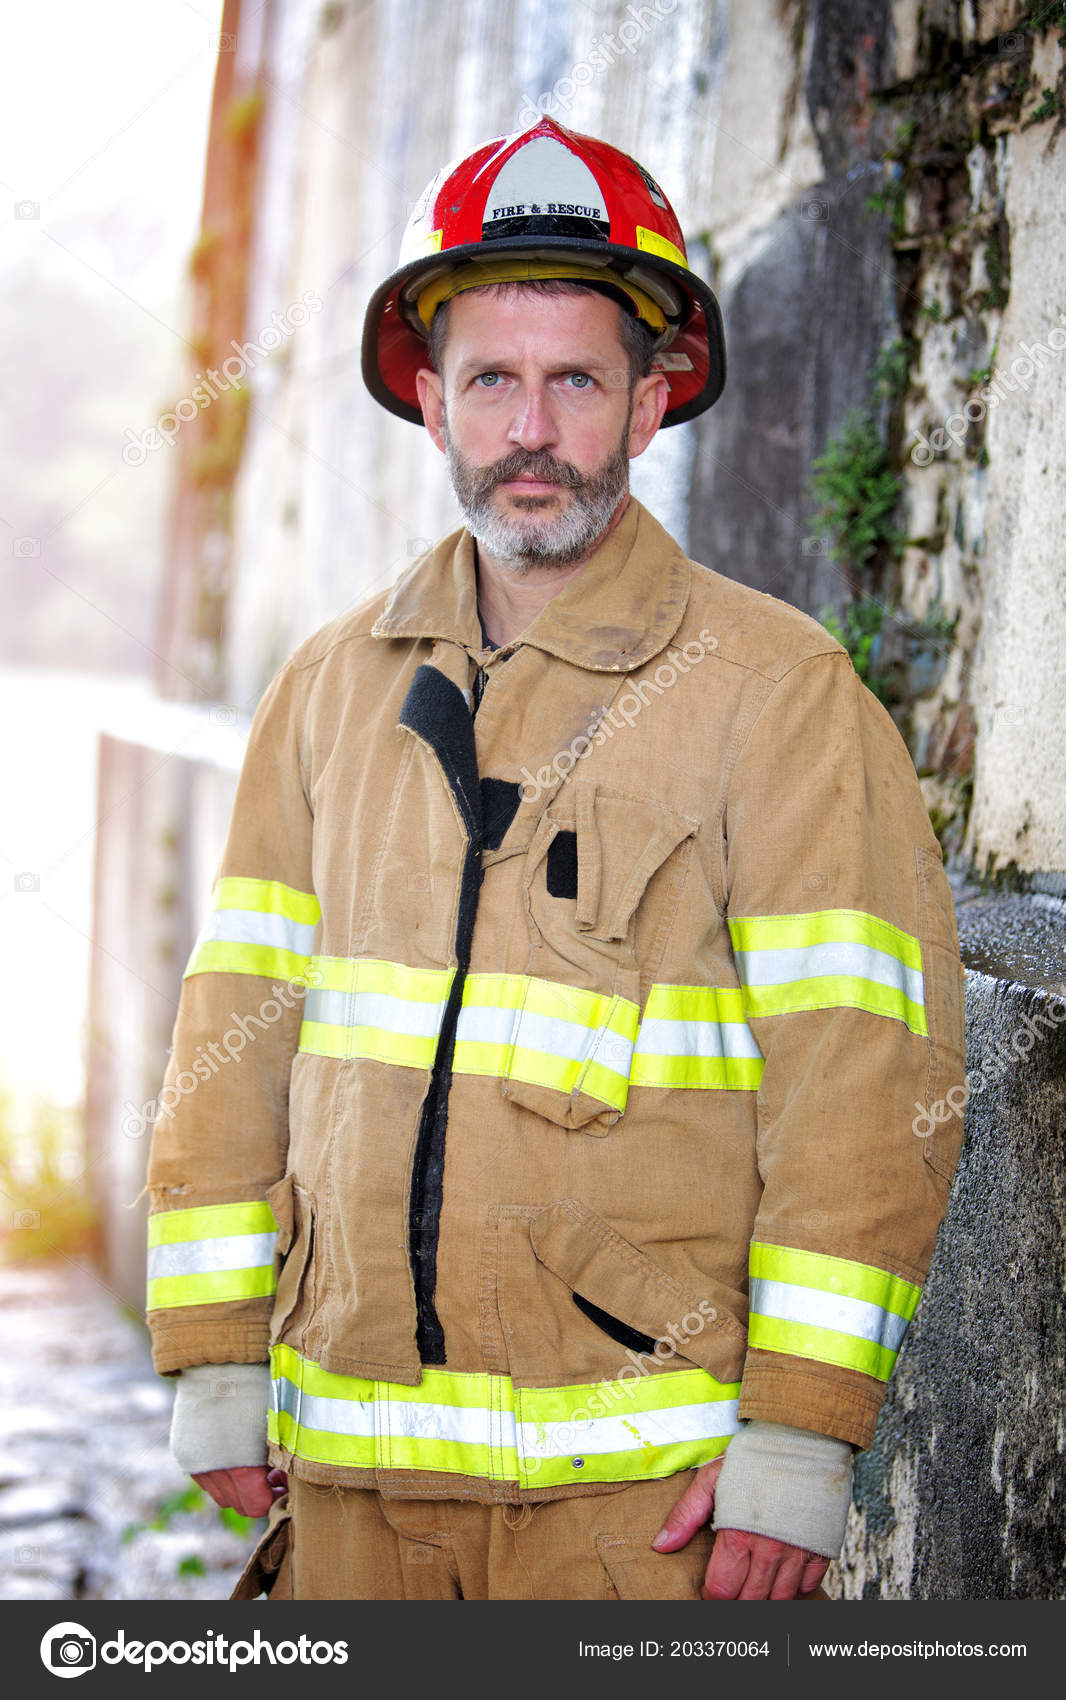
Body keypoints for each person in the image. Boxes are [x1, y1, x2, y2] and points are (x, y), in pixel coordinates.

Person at [145, 117, 967, 1602]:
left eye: (576, 381)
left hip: (638, 1510)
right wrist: (211, 1355)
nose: (532, 430)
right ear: (430, 397)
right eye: (492, 382)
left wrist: (797, 1435)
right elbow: (232, 1032)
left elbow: (865, 1080)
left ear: (649, 406)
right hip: (350, 1481)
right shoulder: (331, 686)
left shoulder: (773, 690)